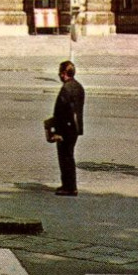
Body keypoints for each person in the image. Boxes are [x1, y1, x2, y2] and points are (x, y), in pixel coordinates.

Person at [48, 60, 86, 196]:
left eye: (60, 72)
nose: (59, 75)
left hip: (65, 129)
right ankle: (70, 185)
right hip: (75, 129)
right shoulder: (79, 87)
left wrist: (57, 132)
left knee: (65, 158)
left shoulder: (66, 89)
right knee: (69, 156)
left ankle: (69, 186)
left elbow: (61, 112)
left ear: (64, 74)